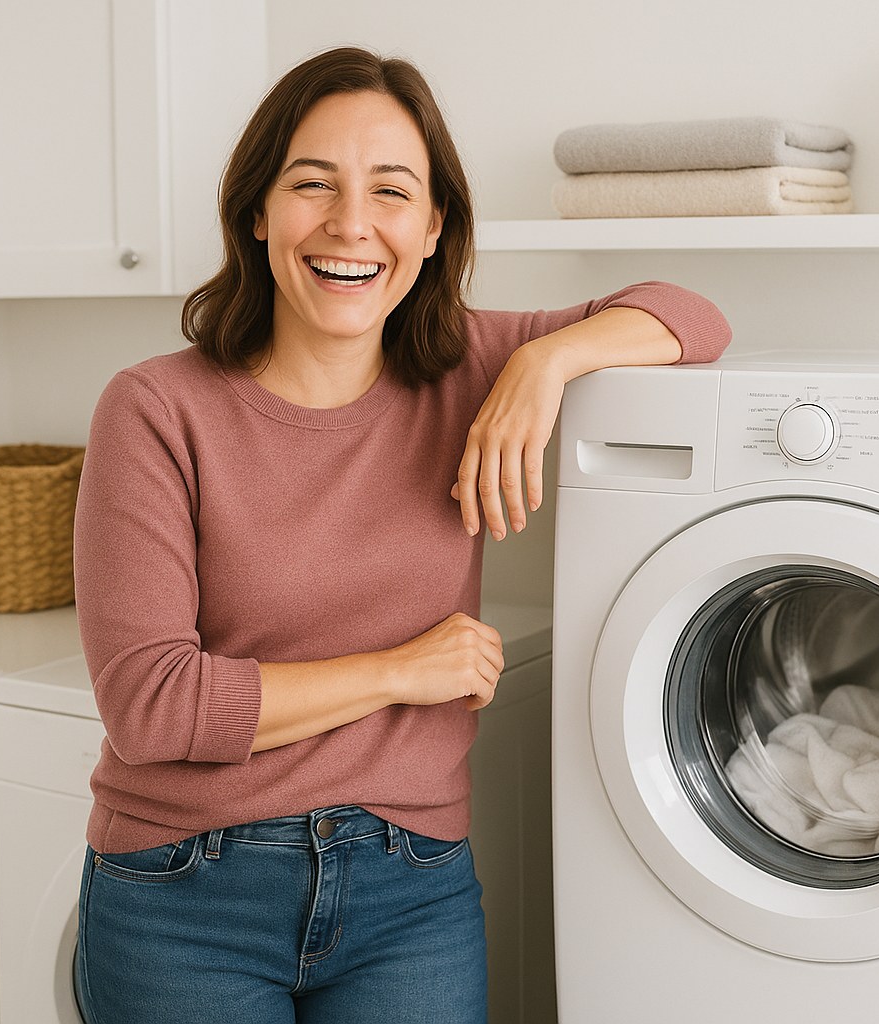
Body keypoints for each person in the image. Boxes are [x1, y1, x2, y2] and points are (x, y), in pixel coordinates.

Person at [70, 45, 730, 1023]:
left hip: (408, 888)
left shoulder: (469, 365)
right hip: (186, 890)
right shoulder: (156, 409)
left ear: (431, 229)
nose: (349, 223)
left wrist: (545, 364)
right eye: (312, 184)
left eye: (390, 191)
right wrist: (400, 671)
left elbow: (697, 318)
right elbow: (155, 709)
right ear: (258, 212)